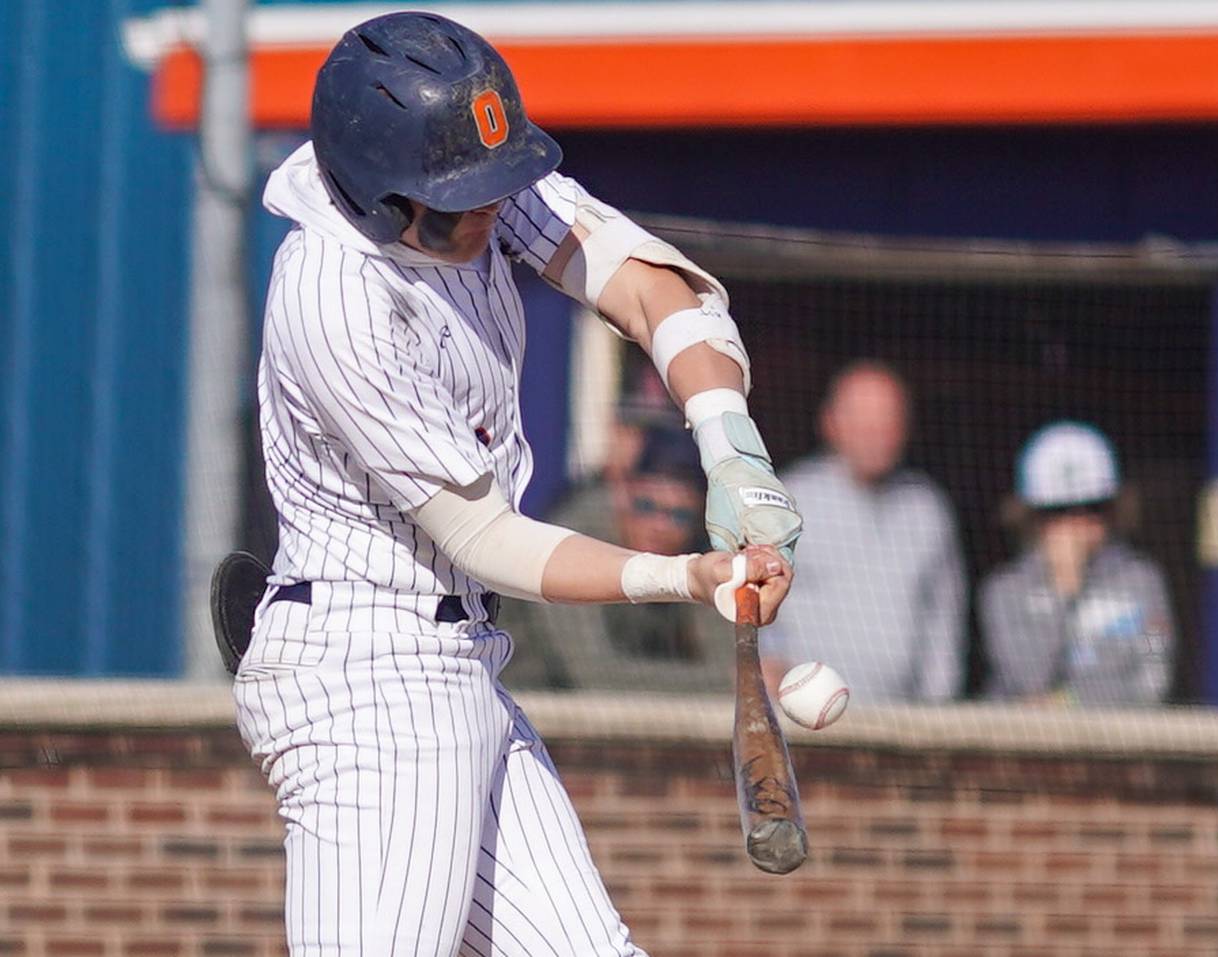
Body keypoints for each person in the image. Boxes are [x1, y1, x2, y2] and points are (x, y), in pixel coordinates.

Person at [232, 13, 800, 956]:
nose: (494, 211)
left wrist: (732, 449)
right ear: (379, 196)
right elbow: (488, 538)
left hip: (459, 662)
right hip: (371, 675)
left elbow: (650, 288)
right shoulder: (334, 296)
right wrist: (686, 577)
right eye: (464, 200)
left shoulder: (464, 175)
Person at [761, 361, 967, 703]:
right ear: (830, 423)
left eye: (886, 419)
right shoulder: (788, 500)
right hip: (804, 716)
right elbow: (757, 608)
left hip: (903, 722)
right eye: (862, 419)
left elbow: (944, 621)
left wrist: (937, 712)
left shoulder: (927, 509)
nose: (875, 431)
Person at [507, 427, 734, 692]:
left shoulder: (700, 549)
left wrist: (732, 677)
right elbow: (594, 676)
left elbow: (726, 658)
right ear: (622, 494)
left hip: (601, 714)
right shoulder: (577, 539)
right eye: (647, 507)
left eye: (678, 515)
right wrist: (725, 683)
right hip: (521, 701)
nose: (659, 526)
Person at [980, 421, 1174, 706]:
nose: (1075, 526)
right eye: (1057, 512)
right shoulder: (1004, 590)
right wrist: (1064, 591)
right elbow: (1027, 681)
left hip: (1117, 741)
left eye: (1091, 509)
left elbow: (1154, 681)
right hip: (1025, 743)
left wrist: (1072, 702)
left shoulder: (1142, 580)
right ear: (1031, 518)